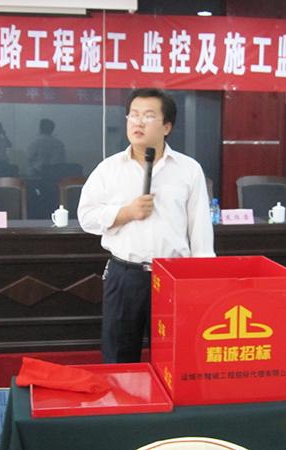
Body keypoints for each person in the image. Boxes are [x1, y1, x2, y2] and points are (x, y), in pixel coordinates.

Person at [78, 88, 215, 364]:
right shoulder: (109, 169)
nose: (138, 122)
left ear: (167, 127)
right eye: (133, 115)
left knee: (173, 359)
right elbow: (86, 217)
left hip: (173, 276)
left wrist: (202, 280)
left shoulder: (189, 170)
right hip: (125, 276)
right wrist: (126, 212)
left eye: (149, 116)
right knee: (119, 358)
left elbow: (200, 229)